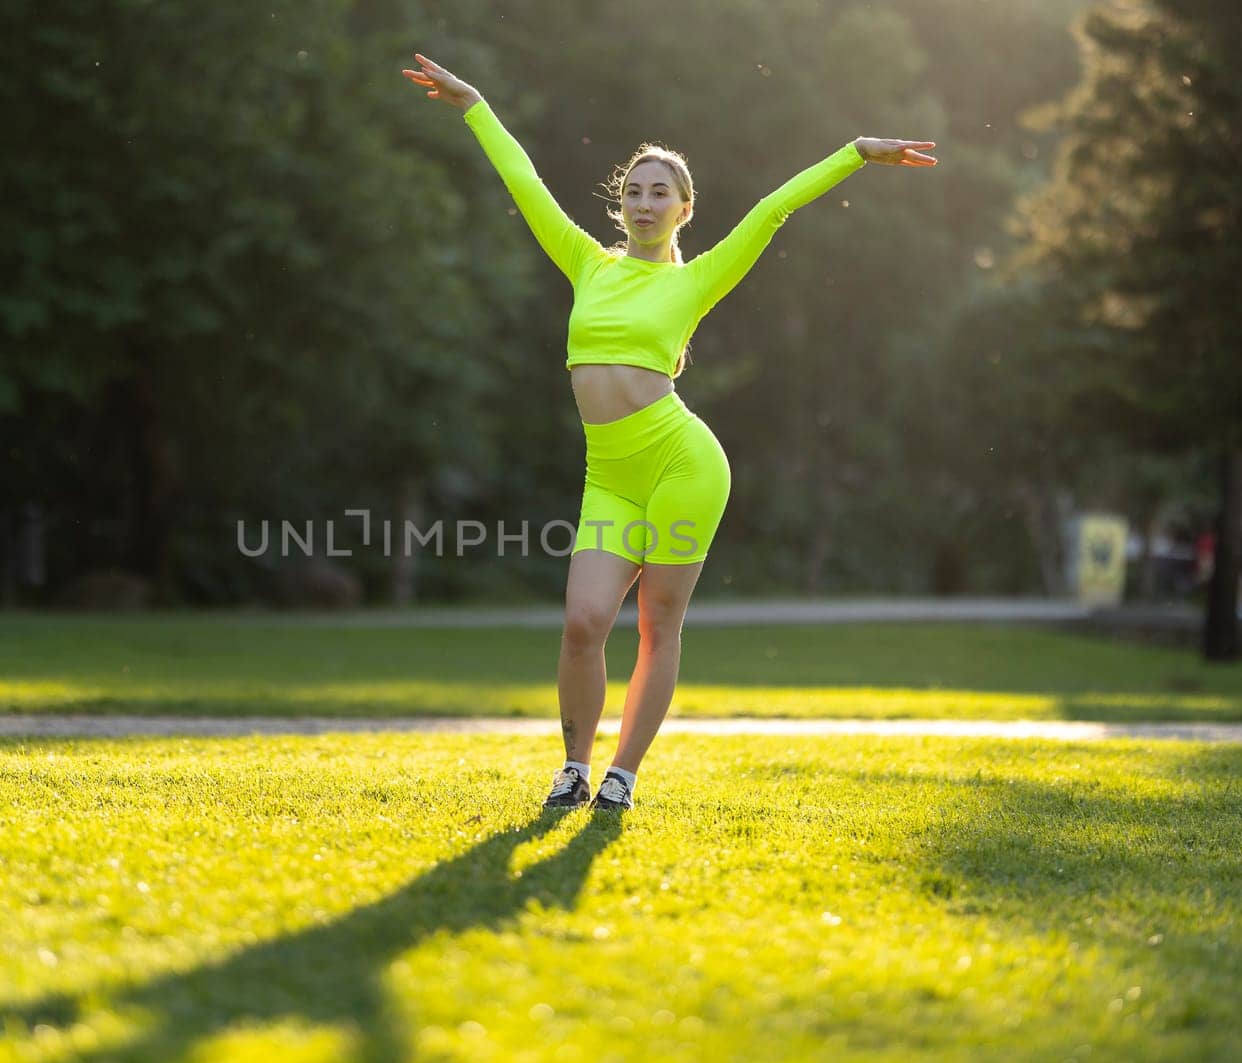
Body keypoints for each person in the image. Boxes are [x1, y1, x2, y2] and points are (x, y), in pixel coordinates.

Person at [401, 53, 936, 810]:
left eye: (661, 193)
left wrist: (855, 154)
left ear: (684, 208)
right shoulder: (587, 263)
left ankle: (623, 773)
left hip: (682, 465)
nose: (644, 203)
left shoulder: (695, 280)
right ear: (619, 206)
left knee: (657, 623)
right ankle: (574, 766)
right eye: (633, 192)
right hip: (609, 473)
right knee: (584, 622)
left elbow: (772, 209)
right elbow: (525, 184)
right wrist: (477, 105)